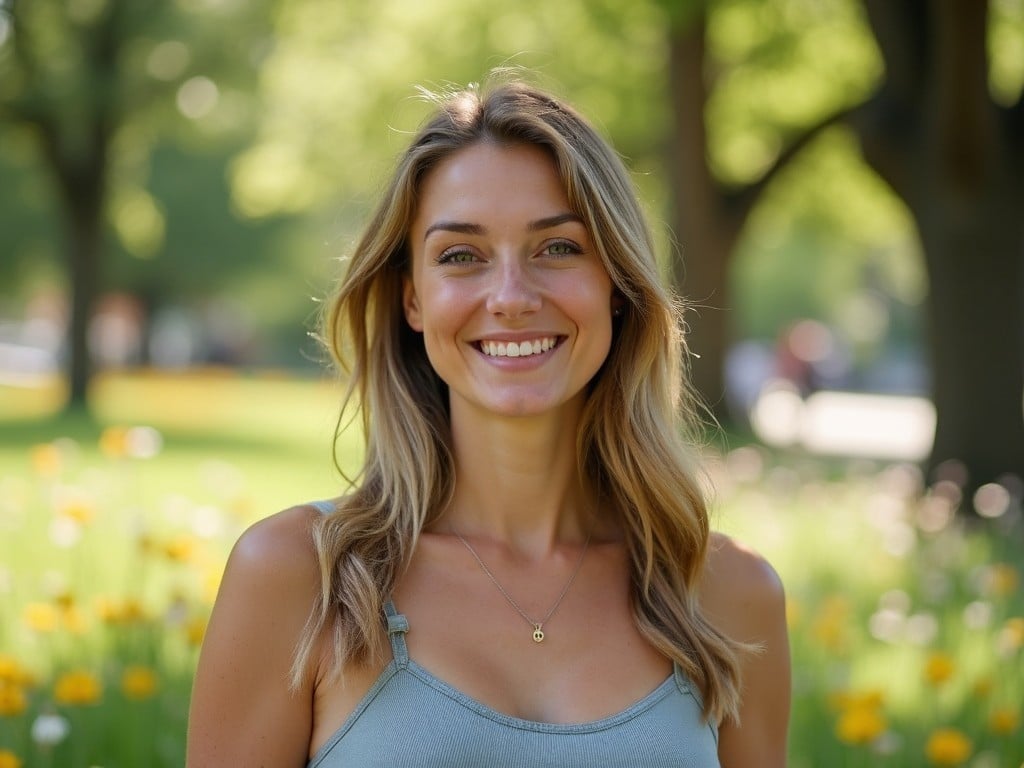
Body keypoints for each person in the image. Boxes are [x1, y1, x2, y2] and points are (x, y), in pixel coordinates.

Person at [186, 76, 790, 767]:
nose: (510, 297)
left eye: (558, 248)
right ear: (412, 299)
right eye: (461, 256)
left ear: (615, 285)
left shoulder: (729, 598)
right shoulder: (301, 580)